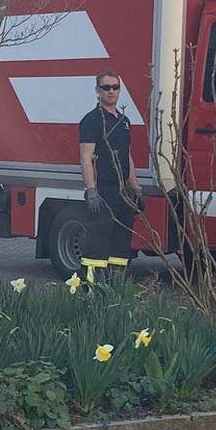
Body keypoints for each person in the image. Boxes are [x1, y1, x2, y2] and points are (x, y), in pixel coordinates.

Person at [77, 70, 142, 283]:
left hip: (123, 191)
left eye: (115, 87)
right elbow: (86, 158)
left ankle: (115, 287)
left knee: (121, 243)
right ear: (98, 91)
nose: (111, 91)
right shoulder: (92, 120)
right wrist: (91, 191)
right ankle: (91, 290)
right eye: (106, 87)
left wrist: (136, 188)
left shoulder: (124, 121)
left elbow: (127, 156)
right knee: (97, 242)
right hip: (103, 189)